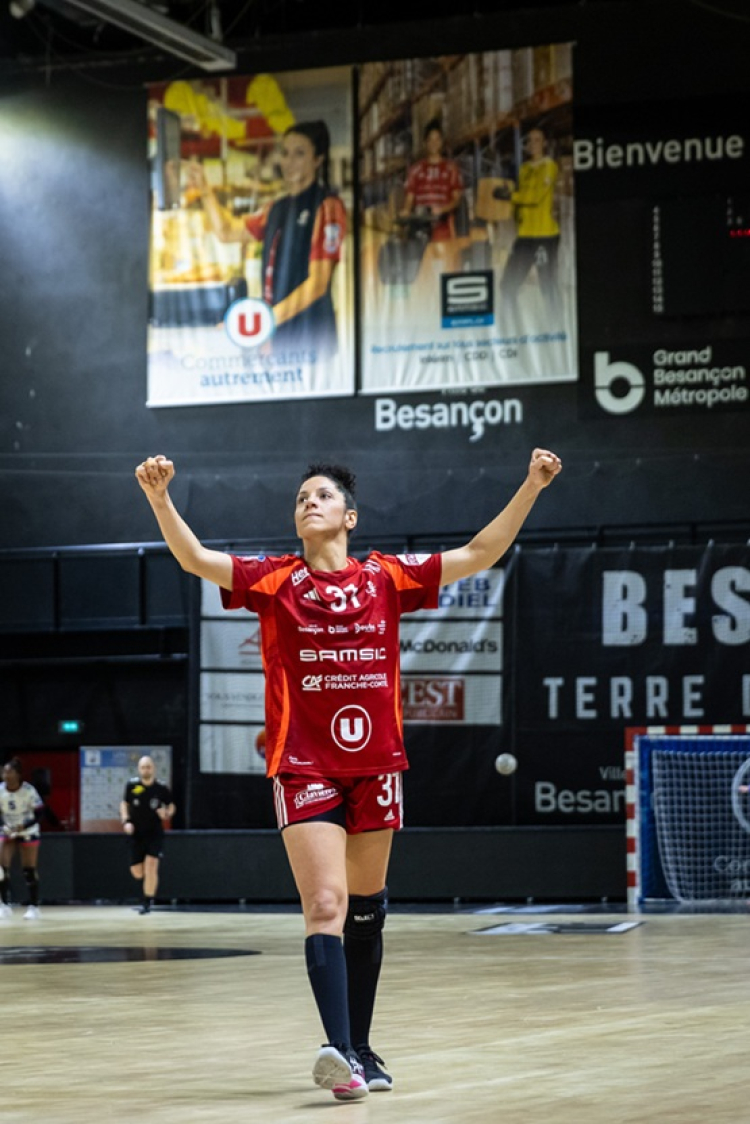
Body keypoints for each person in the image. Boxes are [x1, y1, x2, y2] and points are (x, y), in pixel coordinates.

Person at [134, 446, 562, 1100]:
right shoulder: (275, 580)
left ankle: (359, 1044)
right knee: (326, 904)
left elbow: (480, 553)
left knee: (367, 910)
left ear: (350, 518)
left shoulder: (386, 578)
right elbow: (196, 559)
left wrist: (532, 485)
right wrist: (161, 499)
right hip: (304, 766)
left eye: (323, 496)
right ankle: (337, 1053)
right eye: (302, 497)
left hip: (376, 766)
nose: (310, 502)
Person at [187, 120, 346, 358]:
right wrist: (205, 190)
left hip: (311, 337)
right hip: (278, 336)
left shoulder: (328, 206)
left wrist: (264, 321)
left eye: (299, 154)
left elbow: (318, 283)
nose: (289, 162)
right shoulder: (275, 209)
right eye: (285, 153)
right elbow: (227, 232)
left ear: (318, 160)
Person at [498, 125, 562, 327]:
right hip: (525, 236)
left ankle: (556, 326)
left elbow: (535, 198)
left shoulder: (549, 166)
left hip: (545, 236)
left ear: (544, 143)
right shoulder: (524, 169)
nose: (533, 144)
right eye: (530, 140)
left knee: (547, 285)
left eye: (537, 140)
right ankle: (514, 328)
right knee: (507, 285)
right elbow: (519, 202)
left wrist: (512, 196)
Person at [119, 755, 176, 915]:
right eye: (143, 767)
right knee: (137, 873)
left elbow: (171, 807)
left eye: (148, 767)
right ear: (139, 769)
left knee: (151, 865)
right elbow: (124, 804)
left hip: (154, 833)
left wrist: (166, 813)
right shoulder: (132, 786)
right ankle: (146, 887)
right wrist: (126, 821)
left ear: (154, 768)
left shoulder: (161, 788)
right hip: (136, 834)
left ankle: (147, 902)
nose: (146, 770)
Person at [400, 118, 464, 243]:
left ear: (442, 142)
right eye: (430, 139)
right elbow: (409, 198)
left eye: (437, 139)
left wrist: (441, 210)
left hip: (443, 227)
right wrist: (406, 211)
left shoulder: (452, 169)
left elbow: (457, 200)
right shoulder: (415, 170)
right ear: (425, 143)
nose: (434, 143)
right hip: (420, 226)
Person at [0, 757, 45, 920]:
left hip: (28, 831)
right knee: (1, 869)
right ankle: (3, 905)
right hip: (8, 831)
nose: (6, 775)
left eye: (9, 772)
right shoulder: (0, 790)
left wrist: (24, 826)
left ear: (18, 774)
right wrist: (4, 826)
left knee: (28, 869)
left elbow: (40, 813)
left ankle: (34, 907)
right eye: (4, 772)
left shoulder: (28, 790)